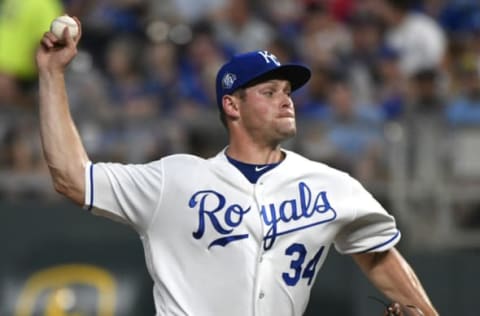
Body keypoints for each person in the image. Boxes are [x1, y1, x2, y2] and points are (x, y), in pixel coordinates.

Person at [36, 17, 438, 316]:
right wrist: (52, 74)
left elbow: (378, 254)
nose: (286, 100)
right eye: (269, 92)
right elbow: (72, 177)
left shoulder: (332, 186)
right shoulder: (174, 179)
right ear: (232, 105)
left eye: (287, 91)